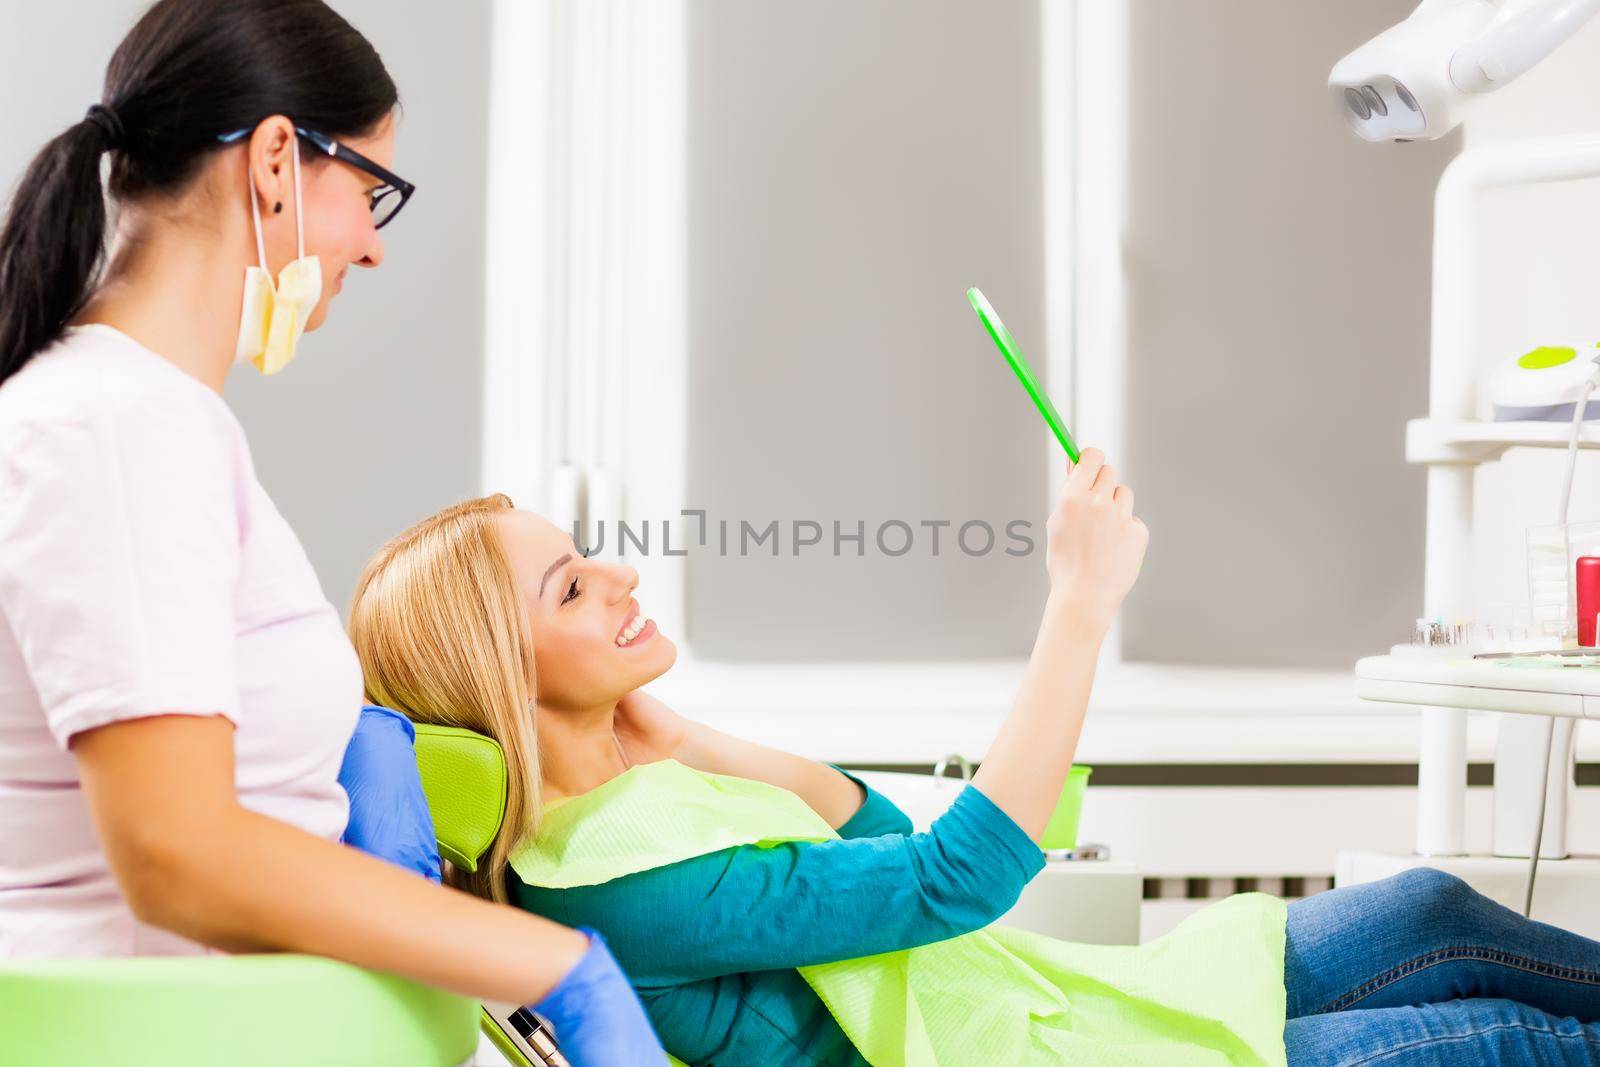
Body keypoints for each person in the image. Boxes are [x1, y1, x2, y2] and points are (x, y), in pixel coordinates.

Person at [349, 453, 1600, 1065]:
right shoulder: (611, 884)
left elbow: (881, 842)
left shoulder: (643, 792)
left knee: (1429, 908)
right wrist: (1080, 605)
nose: (619, 574)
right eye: (573, 584)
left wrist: (690, 735)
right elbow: (958, 876)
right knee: (1506, 1039)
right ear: (502, 681)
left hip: (1067, 1007)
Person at [0, 2, 662, 1062]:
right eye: (370, 192)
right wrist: (546, 963)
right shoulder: (117, 423)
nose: (372, 246)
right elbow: (175, 848)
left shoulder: (149, 421)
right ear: (273, 159)